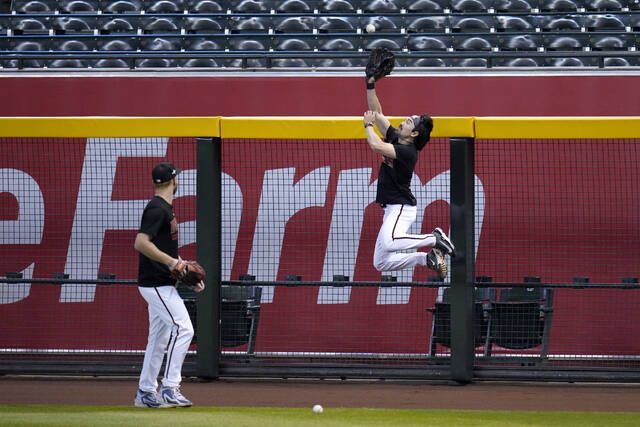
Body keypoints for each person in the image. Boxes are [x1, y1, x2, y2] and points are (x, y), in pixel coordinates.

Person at [364, 76, 455, 278]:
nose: (403, 122)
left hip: (401, 207)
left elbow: (375, 145)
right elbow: (377, 113)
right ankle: (426, 258)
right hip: (391, 208)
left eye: (408, 122)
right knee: (381, 262)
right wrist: (370, 84)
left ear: (413, 134)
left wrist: (367, 126)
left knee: (390, 241)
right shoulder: (397, 137)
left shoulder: (408, 152)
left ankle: (435, 238)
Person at [133, 162, 204, 408]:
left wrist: (182, 270)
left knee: (159, 338)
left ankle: (145, 392)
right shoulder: (156, 209)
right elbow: (141, 243)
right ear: (173, 181)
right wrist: (174, 263)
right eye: (178, 177)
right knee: (184, 329)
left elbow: (163, 249)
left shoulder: (165, 208)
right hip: (155, 284)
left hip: (161, 283)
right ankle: (170, 388)